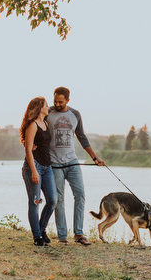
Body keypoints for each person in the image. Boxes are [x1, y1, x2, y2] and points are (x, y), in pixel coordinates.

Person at [47, 86, 105, 246]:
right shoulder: (47, 113)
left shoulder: (75, 114)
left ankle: (79, 233)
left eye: (60, 102)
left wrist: (95, 158)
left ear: (67, 100)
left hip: (72, 162)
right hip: (55, 164)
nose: (57, 104)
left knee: (80, 195)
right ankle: (62, 236)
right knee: (59, 200)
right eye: (55, 101)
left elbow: (82, 137)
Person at [20, 96, 57, 247]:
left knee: (53, 200)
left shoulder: (46, 123)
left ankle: (41, 230)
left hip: (47, 167)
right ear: (39, 108)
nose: (48, 107)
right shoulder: (33, 125)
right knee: (35, 203)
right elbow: (28, 150)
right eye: (46, 105)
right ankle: (37, 237)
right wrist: (34, 172)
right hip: (33, 167)